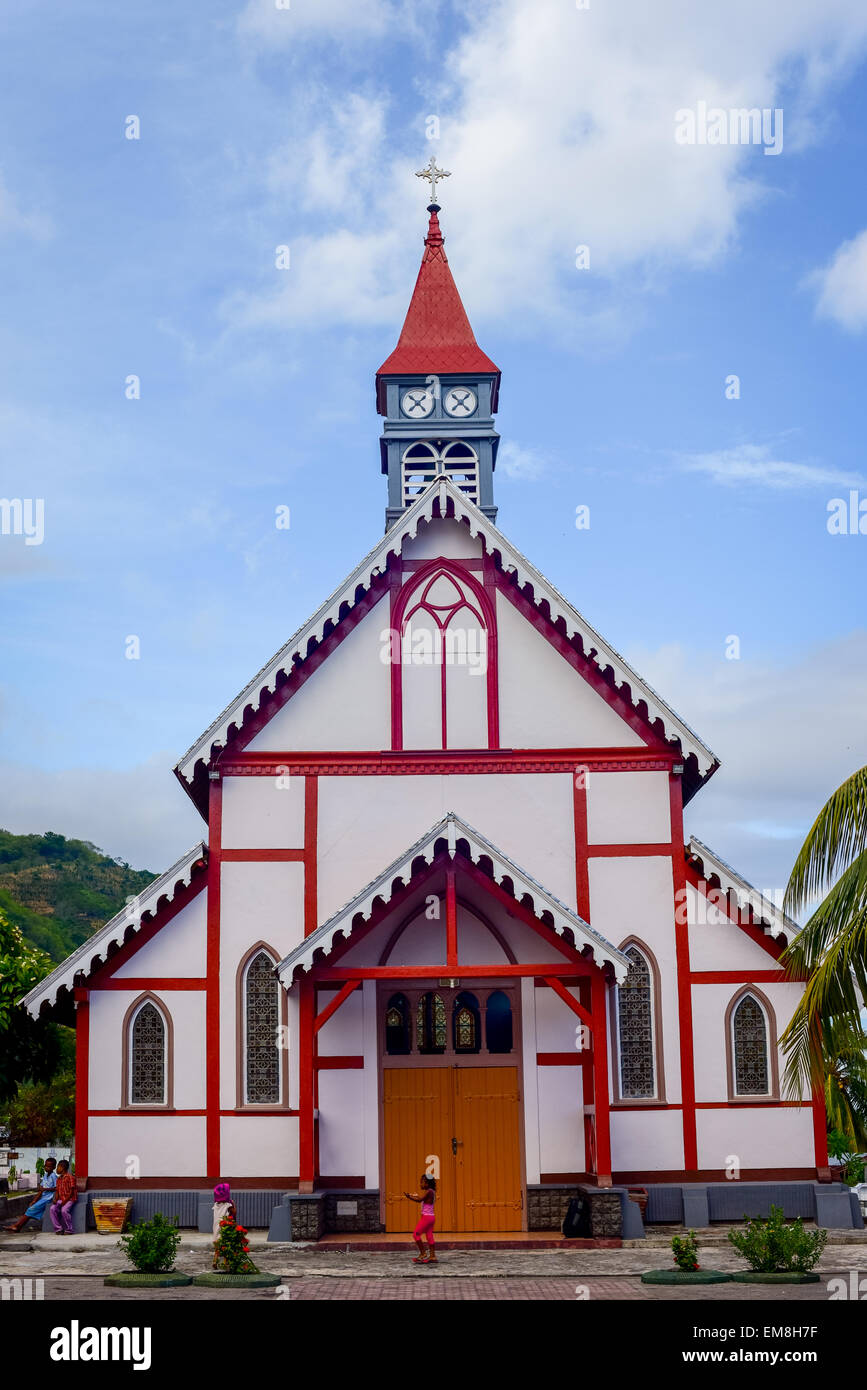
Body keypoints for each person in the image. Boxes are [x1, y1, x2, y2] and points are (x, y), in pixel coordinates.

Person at [3, 1156, 57, 1232]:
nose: (46, 1168)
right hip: (43, 1198)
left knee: (31, 1210)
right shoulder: (45, 1176)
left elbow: (56, 1188)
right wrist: (35, 1200)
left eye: (49, 1166)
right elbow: (41, 1190)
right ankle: (17, 1226)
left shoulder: (53, 1176)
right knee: (30, 1210)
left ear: (53, 1167)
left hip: (49, 1198)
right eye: (45, 1166)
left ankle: (16, 1226)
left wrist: (45, 1189)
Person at [404, 1174, 437, 1264]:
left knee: (416, 1234)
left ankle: (423, 1253)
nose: (420, 1184)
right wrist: (413, 1195)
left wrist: (409, 1197)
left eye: (422, 1182)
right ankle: (433, 1256)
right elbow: (422, 1199)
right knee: (429, 1236)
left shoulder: (429, 1191)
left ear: (427, 1183)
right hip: (431, 1217)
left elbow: (419, 1200)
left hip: (426, 1217)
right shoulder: (431, 1191)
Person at [49, 1160, 77, 1235]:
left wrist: (65, 1201)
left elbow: (71, 1192)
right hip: (61, 1199)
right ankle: (58, 1228)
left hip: (70, 1199)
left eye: (58, 1167)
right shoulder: (58, 1179)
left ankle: (69, 1229)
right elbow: (57, 1191)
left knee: (64, 1210)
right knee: (52, 1209)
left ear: (62, 1167)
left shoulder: (70, 1177)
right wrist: (55, 1199)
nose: (56, 1169)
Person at [212, 1182, 236, 1269]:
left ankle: (215, 1260)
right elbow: (234, 1213)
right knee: (226, 1245)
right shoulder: (228, 1204)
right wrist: (233, 1204)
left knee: (218, 1247)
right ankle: (226, 1264)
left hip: (216, 1227)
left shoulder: (216, 1205)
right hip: (225, 1227)